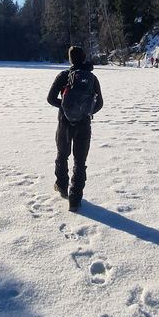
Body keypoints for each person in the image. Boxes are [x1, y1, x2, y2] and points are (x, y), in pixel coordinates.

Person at [47, 46, 103, 211]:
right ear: (84, 58)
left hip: (64, 124)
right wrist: (85, 112)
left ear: (71, 60)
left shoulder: (63, 76)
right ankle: (75, 199)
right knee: (80, 161)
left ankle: (62, 186)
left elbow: (50, 99)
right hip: (83, 125)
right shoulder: (91, 78)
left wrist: (64, 107)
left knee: (62, 156)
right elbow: (99, 103)